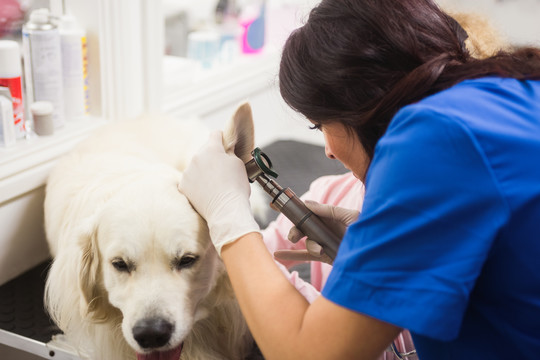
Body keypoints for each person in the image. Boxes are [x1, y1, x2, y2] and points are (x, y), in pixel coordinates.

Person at [179, 0, 540, 359]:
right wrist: (389, 251)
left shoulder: (437, 138)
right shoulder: (515, 91)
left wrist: (230, 220)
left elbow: (308, 353)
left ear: (360, 101)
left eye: (320, 125)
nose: (328, 151)